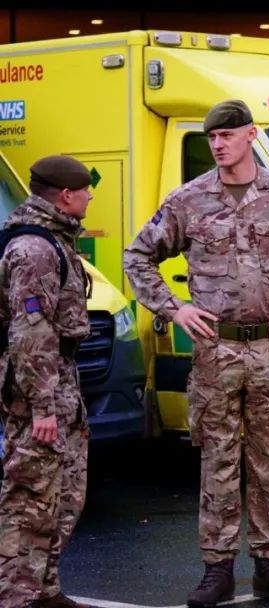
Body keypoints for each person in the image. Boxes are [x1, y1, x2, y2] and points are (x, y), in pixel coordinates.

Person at [123, 99, 269, 608]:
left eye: (226, 135)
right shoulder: (188, 200)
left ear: (251, 134)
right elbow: (138, 255)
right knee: (217, 461)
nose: (218, 144)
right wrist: (174, 307)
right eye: (212, 138)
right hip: (216, 351)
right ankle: (217, 569)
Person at [0, 155, 94, 608]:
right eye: (86, 190)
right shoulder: (34, 250)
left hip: (62, 380)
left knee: (64, 493)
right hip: (39, 386)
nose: (90, 196)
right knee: (29, 497)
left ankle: (44, 590)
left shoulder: (56, 240)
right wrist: (42, 407)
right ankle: (16, 596)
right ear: (66, 196)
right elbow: (30, 332)